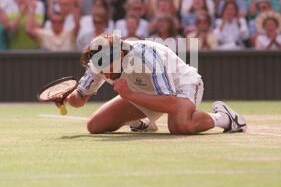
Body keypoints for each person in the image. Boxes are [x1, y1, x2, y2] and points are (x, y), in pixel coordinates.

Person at [63, 33, 247, 135]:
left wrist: (130, 96)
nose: (102, 72)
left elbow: (171, 103)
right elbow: (79, 99)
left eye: (105, 66)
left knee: (180, 126)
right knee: (95, 126)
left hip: (181, 85)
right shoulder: (99, 61)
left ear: (119, 55)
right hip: (141, 92)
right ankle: (143, 122)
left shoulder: (147, 57)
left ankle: (224, 117)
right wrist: (65, 97)